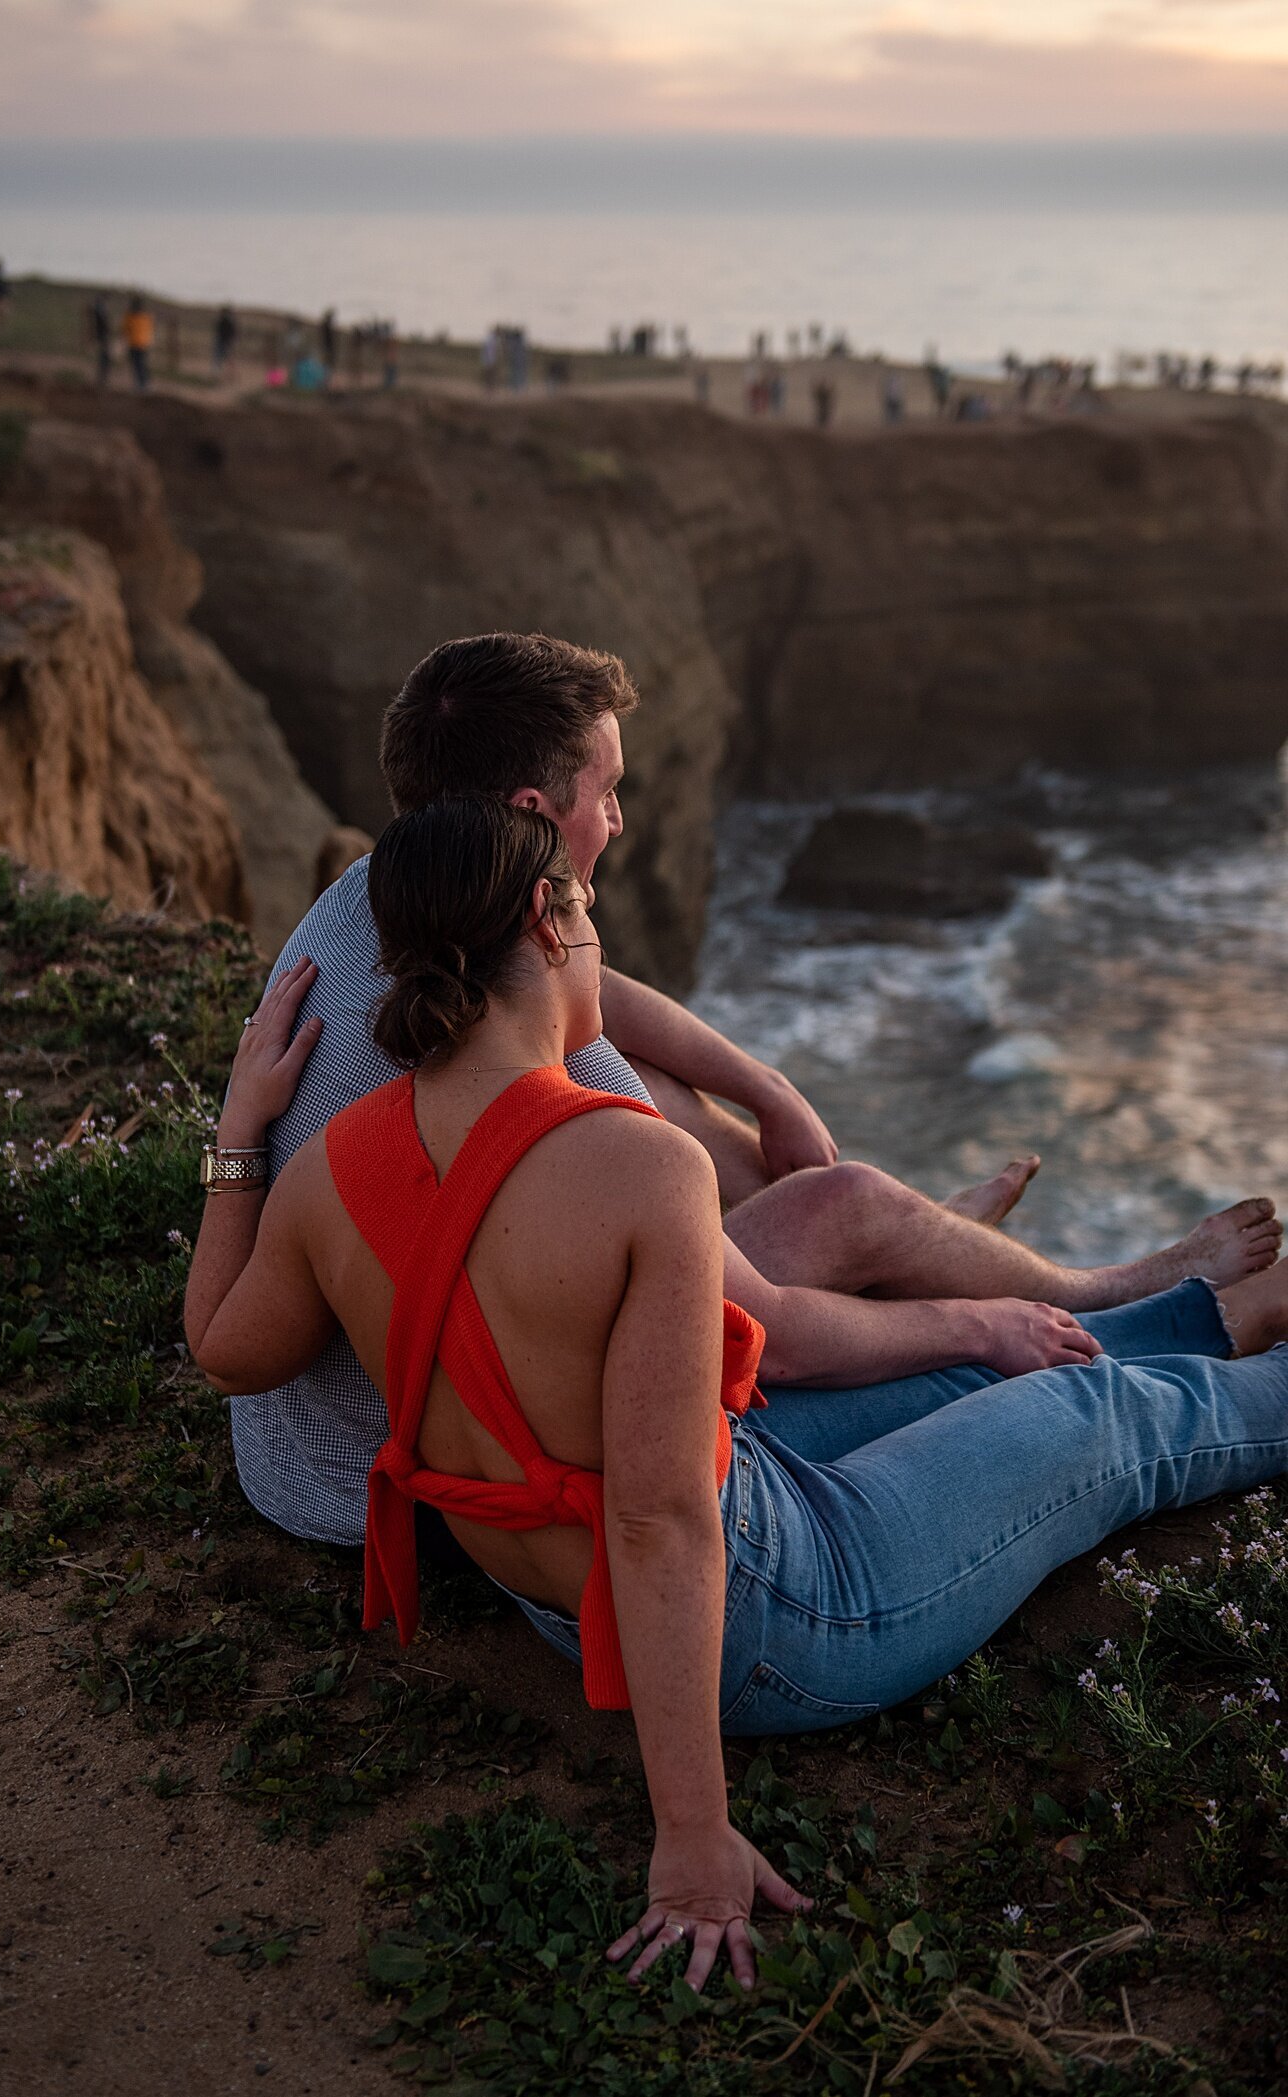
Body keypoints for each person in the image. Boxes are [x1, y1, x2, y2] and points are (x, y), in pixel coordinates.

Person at [186, 794, 1288, 1990]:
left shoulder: (334, 1163)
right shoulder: (635, 1164)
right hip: (771, 1618)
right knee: (1090, 1418)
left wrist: (242, 1132)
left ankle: (1201, 1319)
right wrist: (690, 1840)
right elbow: (660, 1518)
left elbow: (227, 1351)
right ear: (546, 928)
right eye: (592, 912)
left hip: (554, 1589)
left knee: (975, 1365)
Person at [229, 634, 1280, 1553]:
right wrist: (971, 1323)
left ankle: (925, 1266)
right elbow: (763, 1326)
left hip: (325, 1448)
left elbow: (608, 1004)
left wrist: (760, 1082)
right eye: (606, 793)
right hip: (441, 1486)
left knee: (669, 1102)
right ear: (530, 813)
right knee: (847, 1207)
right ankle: (1090, 1296)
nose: (622, 821)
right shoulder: (527, 1066)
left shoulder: (378, 907)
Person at [123, 295, 154, 392]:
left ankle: (141, 385)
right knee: (142, 364)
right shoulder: (146, 317)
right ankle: (144, 384)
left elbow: (124, 329)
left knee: (137, 365)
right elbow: (150, 329)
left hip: (135, 344)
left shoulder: (130, 317)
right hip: (143, 344)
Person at [90, 295, 112, 387]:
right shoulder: (100, 313)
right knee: (104, 357)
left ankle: (102, 378)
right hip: (103, 337)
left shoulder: (98, 312)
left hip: (102, 337)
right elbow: (102, 327)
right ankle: (102, 378)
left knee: (104, 358)